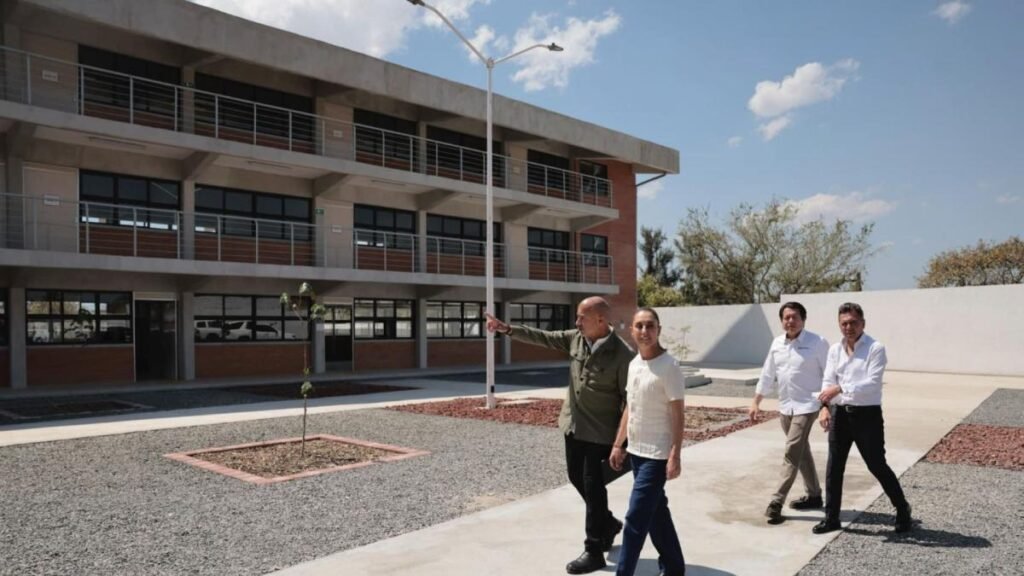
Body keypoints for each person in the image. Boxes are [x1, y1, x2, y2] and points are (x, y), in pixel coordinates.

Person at [486, 296, 635, 574]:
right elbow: (544, 337)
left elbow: (630, 403)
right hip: (573, 426)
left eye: (582, 317)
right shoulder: (575, 339)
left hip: (600, 433)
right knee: (576, 477)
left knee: (593, 485)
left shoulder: (623, 355)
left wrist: (621, 443)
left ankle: (594, 550)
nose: (576, 322)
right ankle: (608, 523)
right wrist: (507, 329)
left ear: (601, 320)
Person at [812, 302, 912, 534]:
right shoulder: (834, 350)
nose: (849, 327)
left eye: (853, 323)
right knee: (834, 468)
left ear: (863, 323)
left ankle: (902, 508)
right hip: (840, 414)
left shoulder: (875, 348)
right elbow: (827, 380)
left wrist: (839, 388)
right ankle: (831, 518)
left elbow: (872, 383)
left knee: (876, 465)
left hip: (867, 416)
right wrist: (824, 406)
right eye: (844, 323)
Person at [609, 307, 686, 576]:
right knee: (656, 512)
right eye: (639, 326)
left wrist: (675, 454)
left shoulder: (669, 367)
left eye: (650, 326)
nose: (645, 331)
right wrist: (618, 444)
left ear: (658, 330)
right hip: (637, 452)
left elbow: (678, 414)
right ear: (631, 331)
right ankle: (674, 568)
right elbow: (630, 407)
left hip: (657, 454)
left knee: (635, 519)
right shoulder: (634, 365)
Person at [749, 301, 829, 524]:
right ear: (781, 320)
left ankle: (776, 502)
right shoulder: (777, 343)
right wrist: (756, 402)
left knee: (791, 451)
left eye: (794, 317)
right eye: (786, 317)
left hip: (808, 405)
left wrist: (826, 406)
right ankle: (814, 495)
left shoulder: (817, 342)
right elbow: (767, 374)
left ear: (803, 319)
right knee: (801, 452)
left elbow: (830, 374)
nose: (790, 321)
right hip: (786, 406)